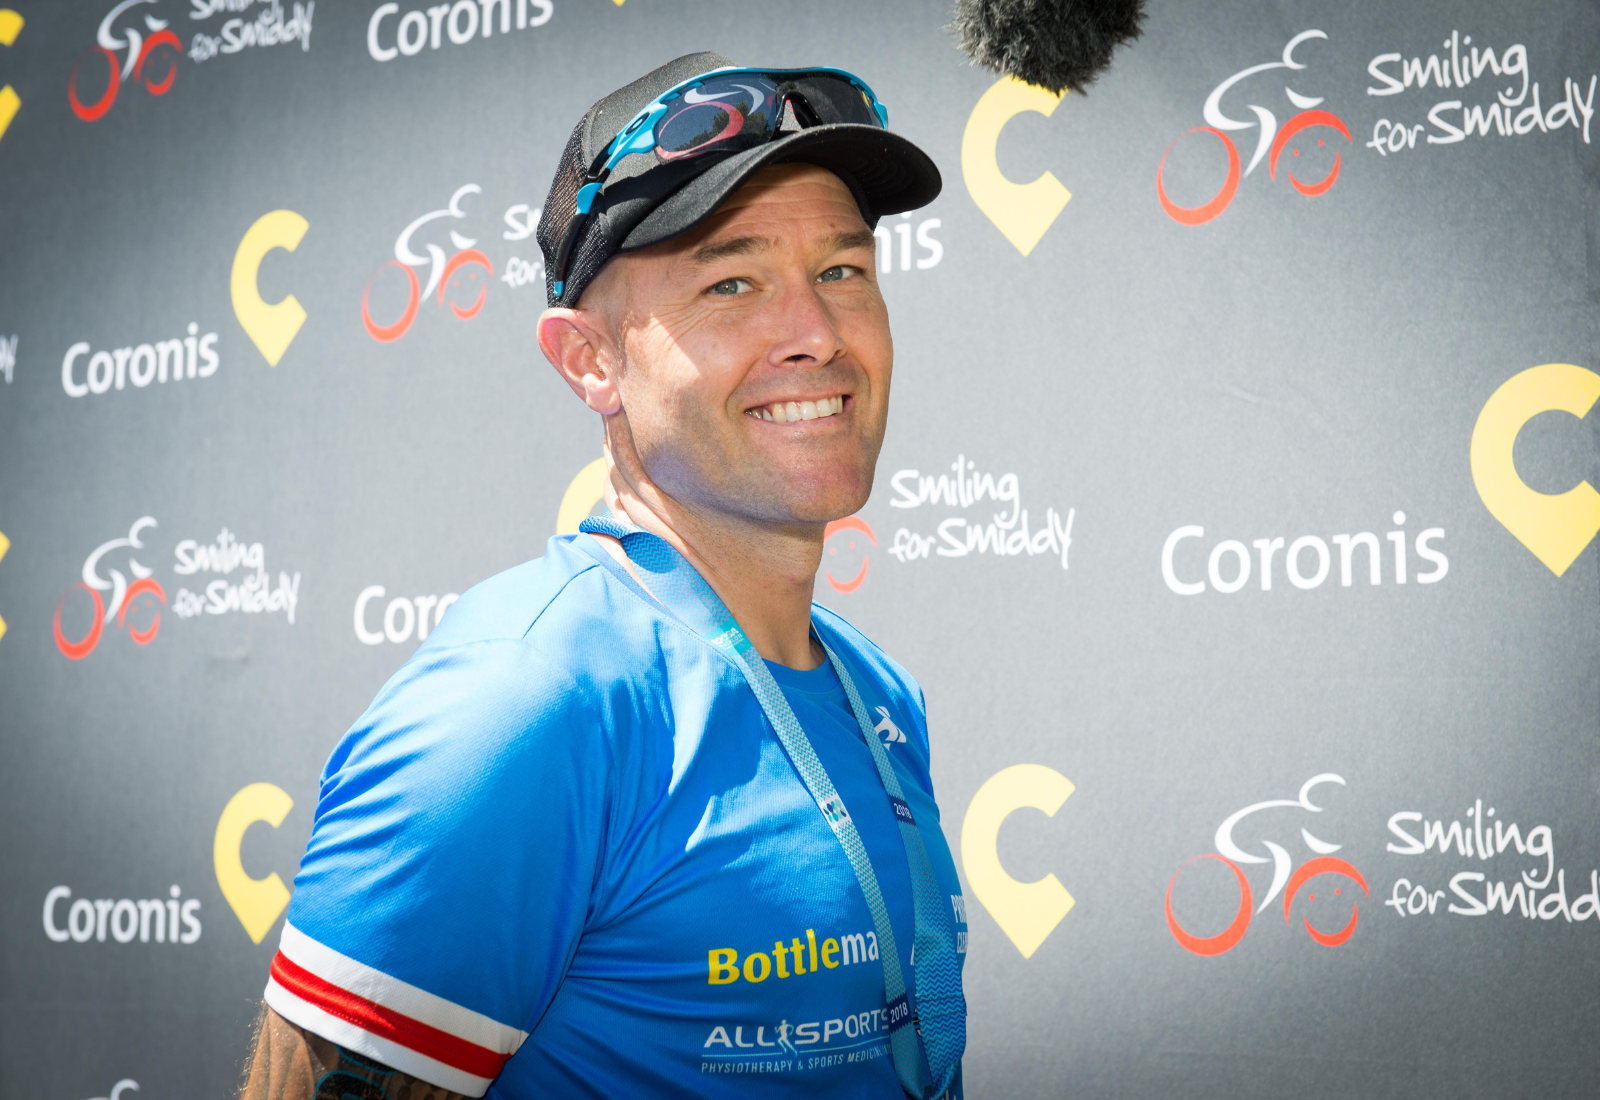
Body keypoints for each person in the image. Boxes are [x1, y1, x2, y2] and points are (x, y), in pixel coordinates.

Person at [239, 52, 967, 1100]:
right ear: (589, 360)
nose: (816, 333)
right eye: (731, 281)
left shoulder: (874, 686)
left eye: (843, 271)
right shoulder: (523, 705)